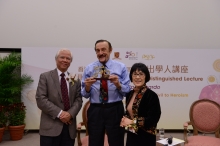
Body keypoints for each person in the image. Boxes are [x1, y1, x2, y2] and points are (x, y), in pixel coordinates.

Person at [81, 39, 130, 146]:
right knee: (94, 142)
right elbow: (84, 94)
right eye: (97, 50)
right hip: (95, 110)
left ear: (110, 50)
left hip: (115, 109)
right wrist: (88, 87)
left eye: (103, 49)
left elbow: (127, 92)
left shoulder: (121, 67)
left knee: (116, 142)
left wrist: (118, 84)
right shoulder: (89, 69)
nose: (100, 53)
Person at [36, 48, 83, 146]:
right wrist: (60, 114)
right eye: (62, 57)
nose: (65, 60)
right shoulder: (45, 77)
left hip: (69, 127)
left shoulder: (76, 80)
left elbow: (78, 100)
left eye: (68, 58)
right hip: (50, 127)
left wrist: (69, 114)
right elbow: (41, 99)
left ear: (70, 62)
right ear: (56, 59)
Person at [120, 63, 161, 146]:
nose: (137, 77)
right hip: (131, 136)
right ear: (131, 76)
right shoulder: (129, 94)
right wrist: (124, 120)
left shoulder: (152, 95)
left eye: (141, 74)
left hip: (146, 137)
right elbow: (129, 113)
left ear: (146, 77)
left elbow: (153, 119)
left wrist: (131, 122)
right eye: (135, 74)